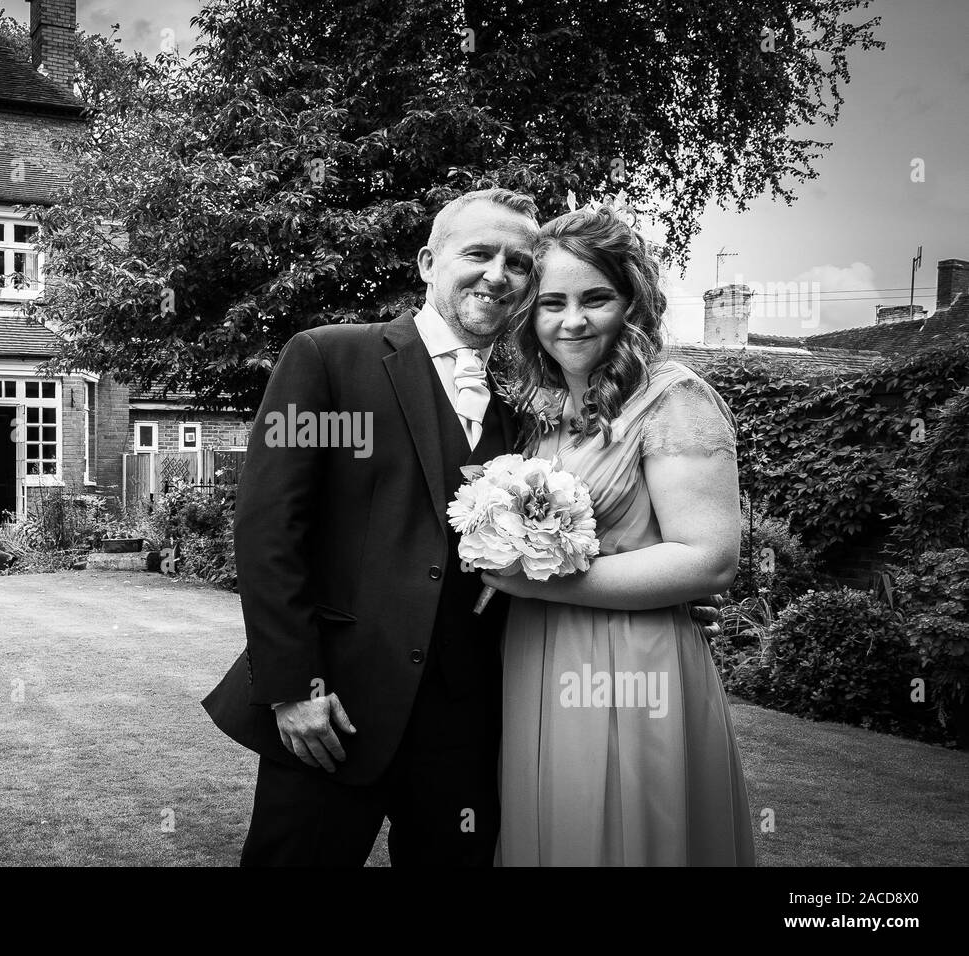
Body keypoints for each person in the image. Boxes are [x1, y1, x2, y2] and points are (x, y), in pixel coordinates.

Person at [202, 188, 725, 866]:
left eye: (518, 263)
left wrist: (668, 589)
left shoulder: (529, 408)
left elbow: (598, 529)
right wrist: (291, 687)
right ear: (428, 261)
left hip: (472, 725)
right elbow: (269, 531)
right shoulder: (330, 361)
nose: (498, 274)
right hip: (334, 709)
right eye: (479, 253)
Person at [482, 203, 757, 865]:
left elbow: (709, 560)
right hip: (535, 657)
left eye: (596, 298)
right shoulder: (541, 411)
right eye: (552, 302)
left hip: (630, 664)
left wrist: (530, 577)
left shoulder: (673, 397)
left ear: (632, 300)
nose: (571, 320)